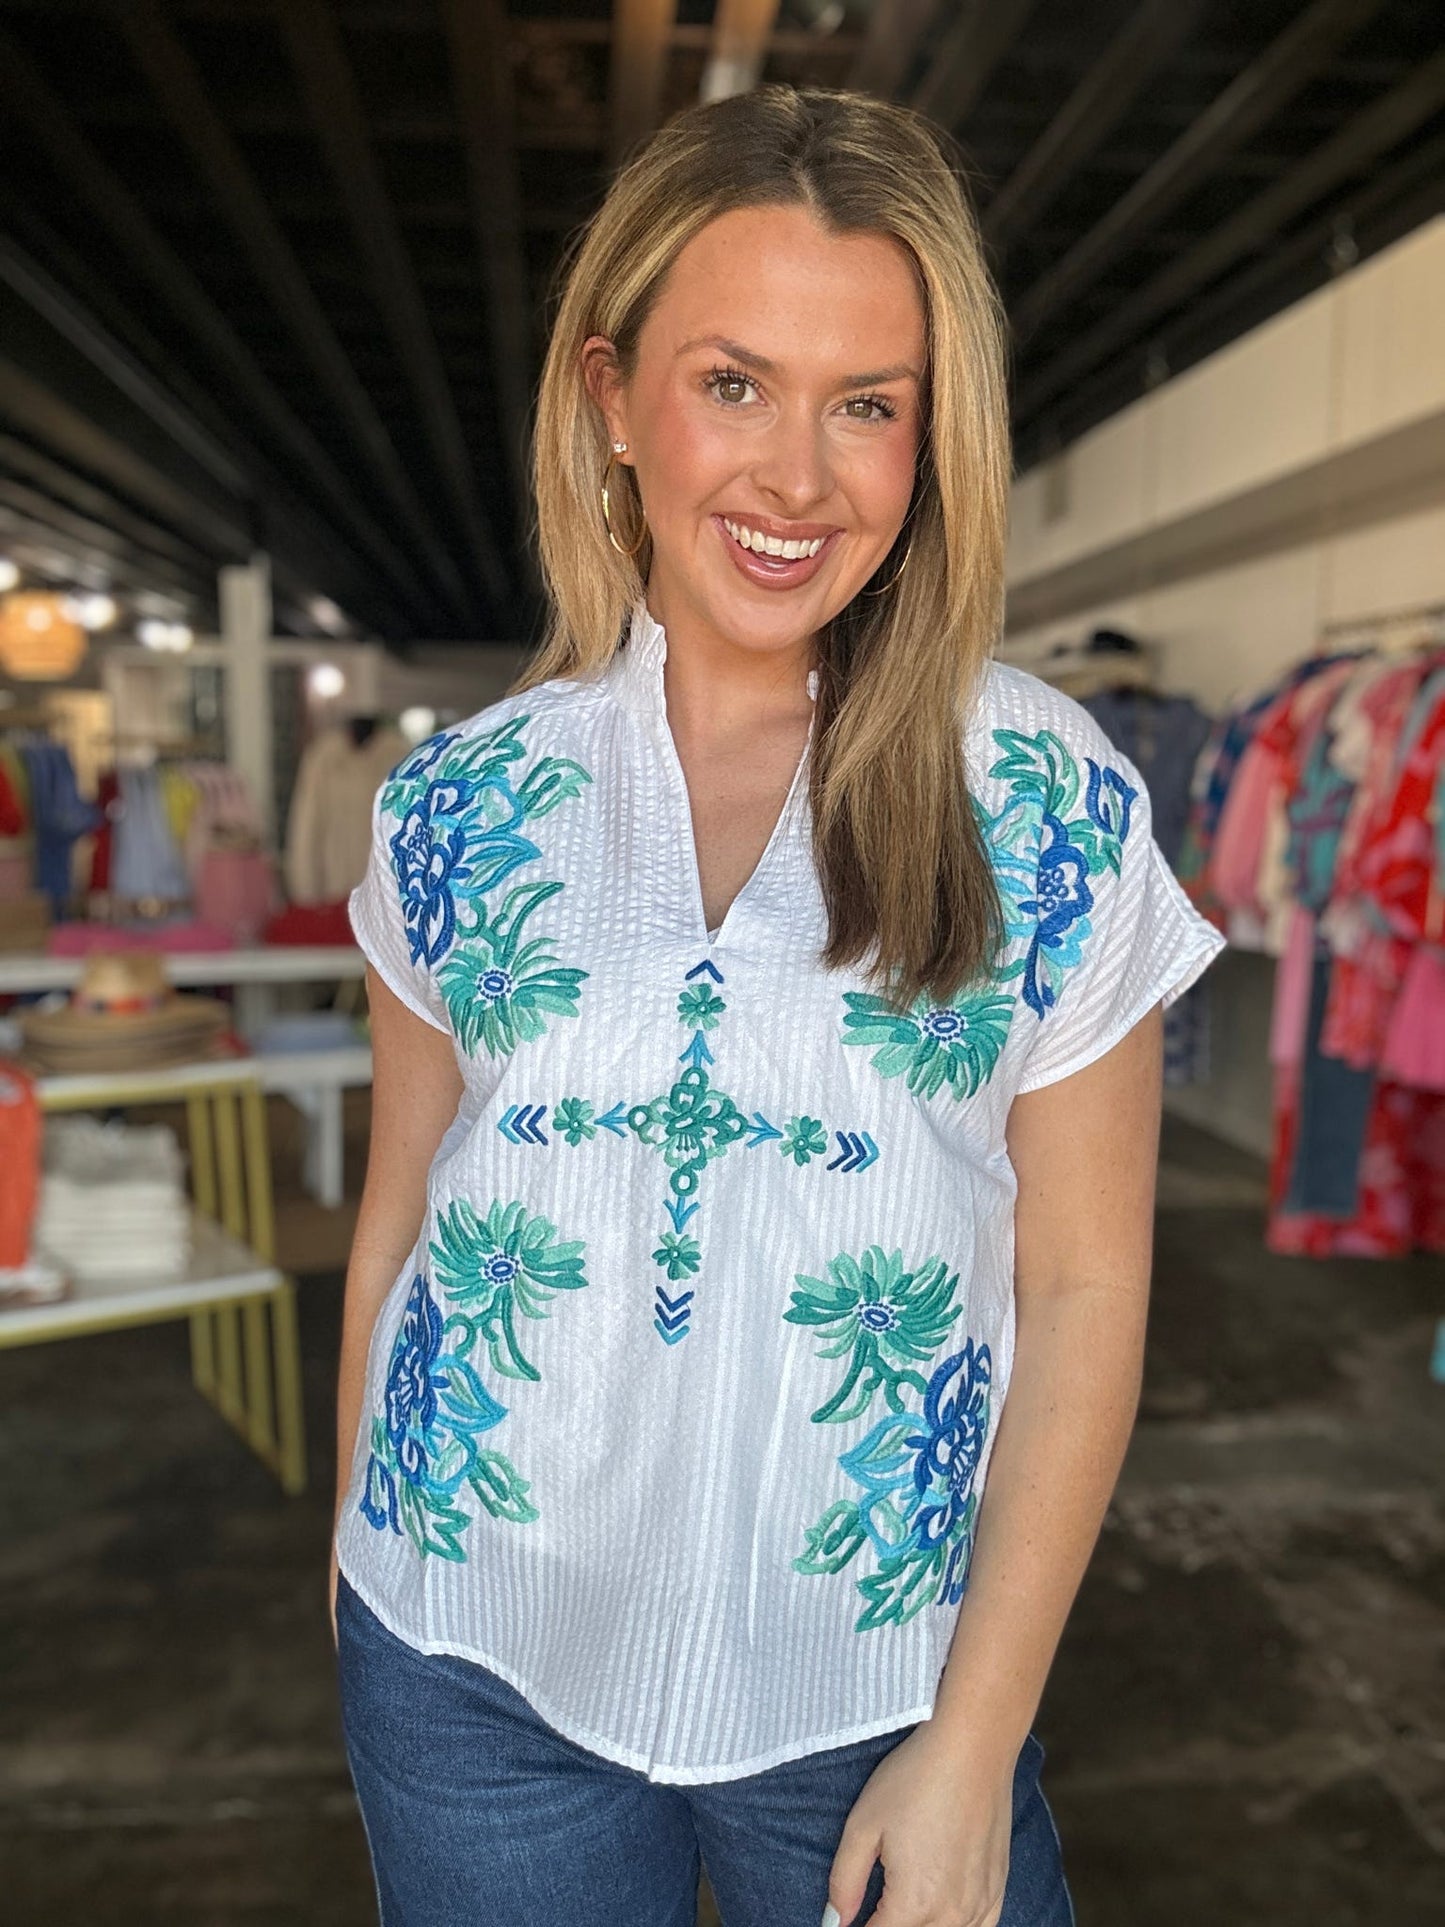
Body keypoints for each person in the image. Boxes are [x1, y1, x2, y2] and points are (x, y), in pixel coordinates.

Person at [330, 84, 1224, 1927]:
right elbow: (399, 1218)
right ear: (610, 402)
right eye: (732, 383)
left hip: (878, 1688)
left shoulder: (1040, 800)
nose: (796, 479)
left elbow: (1083, 1286)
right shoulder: (455, 803)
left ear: (929, 439)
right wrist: (356, 1566)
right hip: (468, 1661)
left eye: (865, 405)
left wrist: (977, 1742)